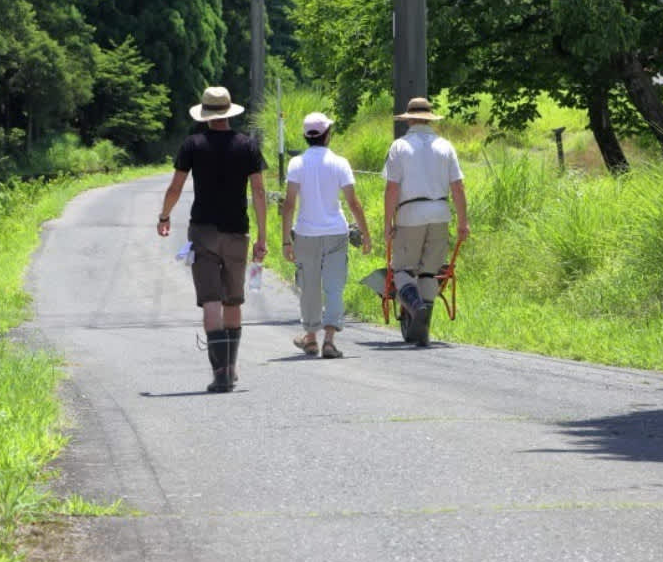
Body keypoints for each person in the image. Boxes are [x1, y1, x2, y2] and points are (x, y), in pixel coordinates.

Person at [157, 85, 269, 392]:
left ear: (206, 115)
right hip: (237, 231)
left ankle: (220, 372)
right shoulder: (247, 145)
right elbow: (259, 192)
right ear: (229, 112)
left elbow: (175, 188)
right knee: (233, 299)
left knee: (211, 301)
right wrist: (262, 235)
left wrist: (164, 216)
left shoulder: (192, 145)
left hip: (203, 232)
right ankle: (232, 368)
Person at [282, 112, 371, 359]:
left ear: (305, 136)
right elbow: (353, 203)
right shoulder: (339, 163)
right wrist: (365, 234)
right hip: (335, 233)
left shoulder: (296, 164)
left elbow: (289, 204)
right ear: (327, 135)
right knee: (334, 287)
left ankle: (310, 338)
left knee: (309, 287)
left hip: (306, 233)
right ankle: (329, 340)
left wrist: (286, 240)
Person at [382, 97, 467, 348]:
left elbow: (392, 189)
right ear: (430, 119)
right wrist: (463, 222)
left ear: (409, 119)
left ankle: (416, 306)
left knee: (403, 270)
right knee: (430, 272)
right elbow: (458, 187)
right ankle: (423, 330)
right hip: (440, 213)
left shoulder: (400, 147)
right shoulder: (445, 146)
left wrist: (388, 222)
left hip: (411, 214)